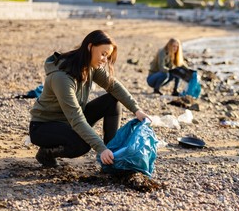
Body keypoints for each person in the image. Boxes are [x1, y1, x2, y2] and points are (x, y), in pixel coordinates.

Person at [29, 30, 151, 167]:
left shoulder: (89, 67)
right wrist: (101, 149)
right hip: (43, 126)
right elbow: (76, 118)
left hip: (69, 121)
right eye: (103, 54)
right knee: (82, 144)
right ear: (90, 47)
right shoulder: (61, 78)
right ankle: (46, 153)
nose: (105, 60)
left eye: (107, 56)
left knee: (112, 102)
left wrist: (137, 110)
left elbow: (114, 86)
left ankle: (111, 156)